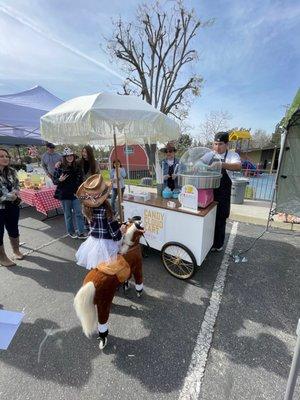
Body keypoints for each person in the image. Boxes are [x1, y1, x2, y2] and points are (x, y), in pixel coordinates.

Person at [75, 174, 125, 269]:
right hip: (107, 244)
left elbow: (88, 225)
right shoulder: (106, 210)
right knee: (109, 268)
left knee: (97, 267)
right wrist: (121, 231)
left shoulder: (87, 209)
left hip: (93, 242)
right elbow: (115, 234)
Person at [203, 132, 241, 251]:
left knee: (220, 218)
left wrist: (220, 164)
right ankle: (207, 243)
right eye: (215, 144)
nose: (217, 147)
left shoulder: (232, 155)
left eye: (220, 144)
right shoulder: (210, 154)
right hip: (209, 191)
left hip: (223, 192)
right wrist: (198, 166)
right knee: (208, 217)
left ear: (226, 144)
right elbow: (199, 163)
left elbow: (238, 166)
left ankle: (218, 244)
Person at [53, 148, 87, 239]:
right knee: (68, 215)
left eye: (71, 155)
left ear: (73, 156)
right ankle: (71, 232)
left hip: (75, 194)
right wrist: (59, 180)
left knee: (79, 213)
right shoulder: (59, 167)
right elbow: (54, 181)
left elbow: (80, 180)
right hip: (64, 195)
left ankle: (81, 232)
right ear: (64, 157)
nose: (69, 157)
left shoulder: (77, 166)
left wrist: (80, 191)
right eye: (67, 156)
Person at [0, 148, 24, 267]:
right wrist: (12, 196)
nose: (5, 158)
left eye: (6, 156)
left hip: (12, 206)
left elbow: (17, 185)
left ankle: (16, 251)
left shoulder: (12, 171)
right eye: (1, 156)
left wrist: (14, 193)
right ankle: (2, 257)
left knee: (13, 228)